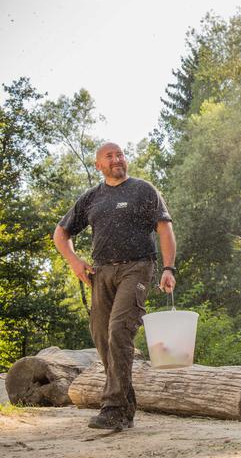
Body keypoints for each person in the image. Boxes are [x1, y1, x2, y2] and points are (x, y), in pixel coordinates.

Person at [53, 142, 176, 431]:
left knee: (120, 329)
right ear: (98, 165)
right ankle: (126, 405)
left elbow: (165, 229)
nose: (116, 159)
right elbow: (61, 233)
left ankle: (114, 407)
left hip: (137, 267)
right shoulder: (90, 198)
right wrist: (73, 260)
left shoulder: (143, 190)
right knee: (101, 333)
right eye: (109, 156)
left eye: (120, 154)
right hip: (101, 272)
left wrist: (168, 268)